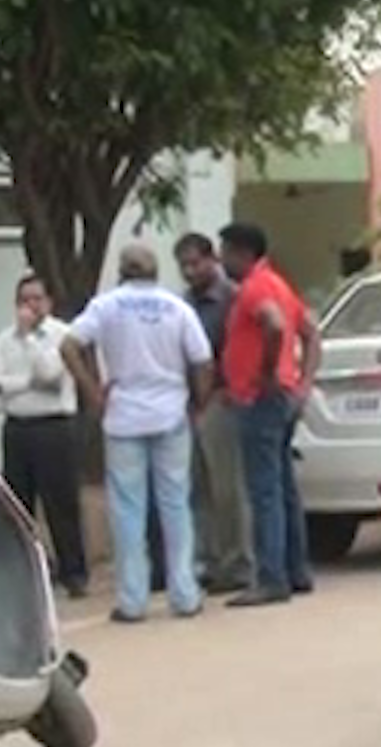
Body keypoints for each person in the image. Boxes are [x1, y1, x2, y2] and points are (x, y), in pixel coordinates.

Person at [60, 245, 214, 622]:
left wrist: (93, 392)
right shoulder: (176, 307)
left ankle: (132, 600)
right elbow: (202, 360)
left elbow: (68, 345)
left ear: (122, 272)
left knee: (127, 510)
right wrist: (199, 403)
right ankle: (184, 593)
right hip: (170, 412)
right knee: (175, 504)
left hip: (124, 415)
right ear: (156, 271)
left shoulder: (107, 306)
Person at [218, 222, 321, 607]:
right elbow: (310, 332)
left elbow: (275, 326)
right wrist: (303, 383)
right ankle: (296, 570)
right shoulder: (279, 283)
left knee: (264, 491)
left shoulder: (256, 288)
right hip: (283, 395)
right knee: (282, 488)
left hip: (261, 398)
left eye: (226, 251)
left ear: (243, 253)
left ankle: (271, 577)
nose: (223, 260)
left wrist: (263, 374)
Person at [0, 272, 88, 597]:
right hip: (18, 427)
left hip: (54, 426)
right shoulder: (5, 339)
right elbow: (3, 386)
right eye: (24, 300)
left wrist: (33, 339)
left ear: (49, 303)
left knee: (61, 503)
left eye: (37, 299)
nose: (31, 306)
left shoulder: (62, 335)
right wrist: (24, 383)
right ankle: (28, 573)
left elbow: (50, 376)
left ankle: (74, 572)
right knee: (19, 506)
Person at [175, 233, 253, 594]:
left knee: (228, 488)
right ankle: (206, 560)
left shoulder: (232, 298)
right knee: (197, 488)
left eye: (195, 263)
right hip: (188, 404)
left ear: (212, 261)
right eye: (184, 265)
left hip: (222, 399)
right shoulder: (182, 305)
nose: (190, 271)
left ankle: (237, 562)